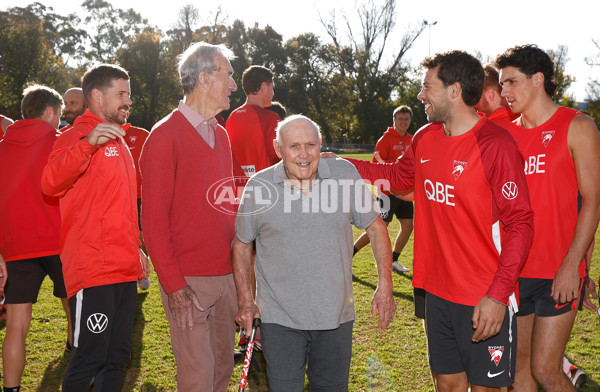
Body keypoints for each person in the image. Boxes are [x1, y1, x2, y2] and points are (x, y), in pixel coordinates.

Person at [326, 50, 534, 392]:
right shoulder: (425, 137)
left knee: (485, 388)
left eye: (427, 87)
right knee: (447, 384)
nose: (421, 95)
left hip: (482, 294)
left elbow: (521, 224)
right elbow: (398, 176)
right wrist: (344, 165)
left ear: (454, 90)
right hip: (433, 289)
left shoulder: (495, 145)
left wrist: (497, 296)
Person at [234, 114, 396, 391]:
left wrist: (385, 286)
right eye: (294, 146)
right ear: (278, 149)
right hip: (280, 318)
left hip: (335, 316)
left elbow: (376, 228)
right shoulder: (259, 187)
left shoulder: (344, 174)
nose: (304, 154)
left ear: (321, 144)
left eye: (311, 145)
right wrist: (246, 301)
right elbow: (241, 244)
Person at [496, 44, 600, 392]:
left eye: (511, 82)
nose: (504, 92)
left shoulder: (578, 126)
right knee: (518, 372)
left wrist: (576, 266)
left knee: (546, 369)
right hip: (514, 271)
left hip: (558, 271)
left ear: (538, 79)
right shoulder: (505, 136)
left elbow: (593, 201)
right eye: (501, 84)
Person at [41, 64, 150, 391]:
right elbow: (49, 183)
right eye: (121, 94)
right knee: (89, 358)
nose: (127, 101)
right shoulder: (75, 137)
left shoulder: (120, 139)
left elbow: (121, 208)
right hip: (93, 269)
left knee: (118, 357)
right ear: (97, 96)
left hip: (124, 268)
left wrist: (136, 252)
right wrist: (87, 144)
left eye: (128, 94)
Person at [140, 42, 239, 392]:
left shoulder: (222, 134)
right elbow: (152, 222)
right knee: (197, 378)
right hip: (187, 281)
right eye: (227, 75)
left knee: (222, 370)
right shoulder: (164, 136)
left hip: (226, 275)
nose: (233, 85)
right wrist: (173, 284)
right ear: (204, 78)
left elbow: (229, 201)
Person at [0, 85, 72, 392]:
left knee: (16, 326)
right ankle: (75, 353)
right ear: (51, 112)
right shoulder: (61, 144)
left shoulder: (2, 146)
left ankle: (11, 389)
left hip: (14, 246)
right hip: (58, 242)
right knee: (76, 310)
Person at [353, 105, 415, 273]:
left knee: (408, 226)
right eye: (400, 119)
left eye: (406, 119)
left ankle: (394, 259)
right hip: (387, 192)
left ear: (410, 120)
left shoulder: (412, 140)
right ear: (394, 120)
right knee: (379, 227)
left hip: (405, 193)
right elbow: (376, 166)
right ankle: (350, 253)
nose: (403, 122)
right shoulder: (385, 140)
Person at [225, 65, 281, 178]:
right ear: (263, 87)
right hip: (265, 188)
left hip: (238, 189)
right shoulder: (271, 118)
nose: (273, 93)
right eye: (272, 88)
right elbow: (279, 157)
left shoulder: (232, 117)